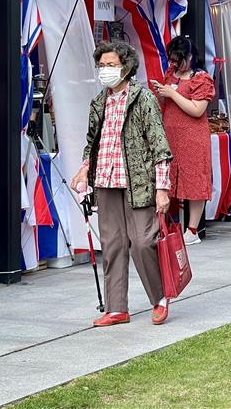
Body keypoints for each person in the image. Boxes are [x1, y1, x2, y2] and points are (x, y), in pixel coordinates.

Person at [71, 41, 174, 327]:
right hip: (106, 180)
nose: (105, 71)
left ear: (126, 67)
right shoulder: (98, 102)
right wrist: (83, 171)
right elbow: (92, 144)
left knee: (143, 241)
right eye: (102, 66)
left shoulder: (143, 98)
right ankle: (117, 308)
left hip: (138, 182)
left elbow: (159, 145)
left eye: (111, 65)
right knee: (112, 244)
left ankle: (160, 297)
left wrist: (162, 188)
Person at [154, 35, 215, 246]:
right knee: (168, 178)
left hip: (193, 136)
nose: (173, 64)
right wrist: (162, 93)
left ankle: (192, 229)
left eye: (178, 59)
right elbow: (166, 102)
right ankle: (167, 226)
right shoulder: (171, 73)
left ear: (190, 56)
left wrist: (172, 93)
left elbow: (198, 110)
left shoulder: (202, 78)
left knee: (194, 180)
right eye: (171, 59)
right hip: (170, 133)